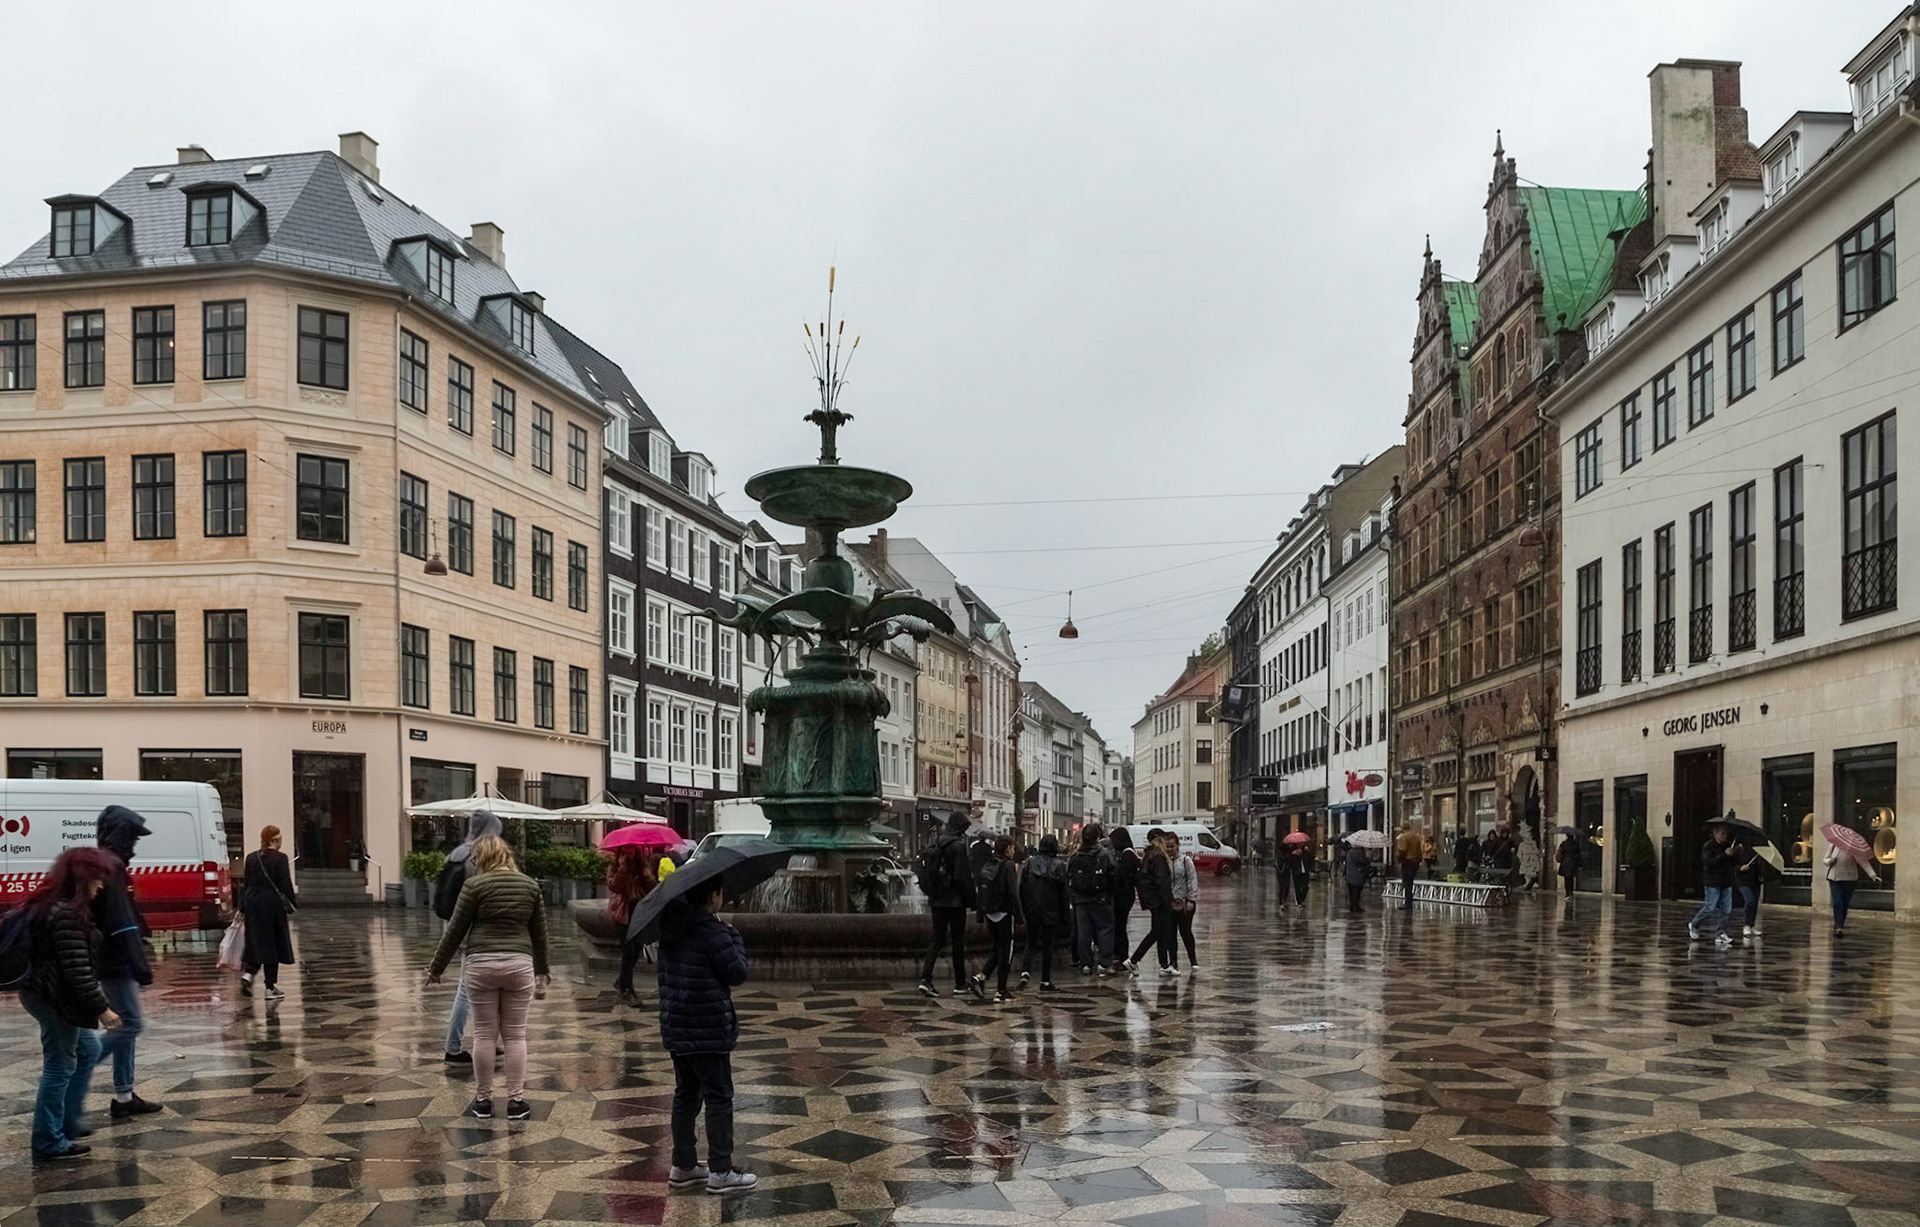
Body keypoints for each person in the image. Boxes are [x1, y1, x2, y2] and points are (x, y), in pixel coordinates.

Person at [427, 834, 548, 1121]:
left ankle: (483, 1102)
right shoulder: (530, 886)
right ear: (506, 855)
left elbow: (455, 930)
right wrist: (543, 970)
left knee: (483, 1034)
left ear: (482, 858)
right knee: (515, 1035)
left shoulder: (474, 885)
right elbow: (540, 933)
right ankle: (516, 1102)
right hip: (519, 965)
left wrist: (436, 968)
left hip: (480, 964)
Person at [18, 847, 123, 1161]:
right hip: (54, 998)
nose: (101, 886)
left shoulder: (55, 905)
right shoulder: (66, 913)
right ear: (82, 878)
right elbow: (76, 970)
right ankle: (49, 1140)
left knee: (87, 1050)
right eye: (97, 879)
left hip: (48, 994)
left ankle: (64, 1123)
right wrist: (102, 1009)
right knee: (59, 1066)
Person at [657, 879, 755, 1195]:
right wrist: (733, 935)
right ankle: (721, 1171)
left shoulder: (670, 930)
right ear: (713, 896)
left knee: (686, 1093)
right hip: (709, 1027)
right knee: (718, 1096)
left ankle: (684, 1166)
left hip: (677, 1024)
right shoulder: (713, 932)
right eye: (721, 892)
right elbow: (737, 972)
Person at [94, 805, 161, 1119]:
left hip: (110, 957)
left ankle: (123, 1094)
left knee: (125, 1025)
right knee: (130, 1024)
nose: (135, 844)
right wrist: (140, 965)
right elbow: (121, 921)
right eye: (132, 836)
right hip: (116, 959)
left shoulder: (106, 862)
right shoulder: (113, 866)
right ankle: (84, 1062)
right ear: (120, 835)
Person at [435, 810, 503, 1060]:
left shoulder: (458, 852)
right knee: (466, 990)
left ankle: (487, 1041)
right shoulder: (477, 856)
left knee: (477, 987)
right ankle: (453, 1047)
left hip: (457, 925)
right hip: (474, 929)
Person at [917, 812, 975, 997]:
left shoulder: (937, 842)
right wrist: (972, 900)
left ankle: (926, 979)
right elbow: (962, 877)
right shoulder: (957, 847)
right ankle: (960, 982)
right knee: (958, 942)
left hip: (937, 900)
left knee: (936, 939)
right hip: (955, 902)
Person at [239, 826, 297, 1001]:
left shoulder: (251, 857)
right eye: (279, 838)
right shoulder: (280, 859)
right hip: (271, 904)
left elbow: (246, 883)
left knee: (256, 941)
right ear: (275, 840)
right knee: (273, 944)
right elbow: (284, 883)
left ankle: (248, 975)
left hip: (252, 902)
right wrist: (292, 903)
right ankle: (269, 988)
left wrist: (242, 907)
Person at [970, 835, 1023, 1003]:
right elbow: (1013, 893)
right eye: (1013, 847)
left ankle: (981, 977)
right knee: (1006, 952)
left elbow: (981, 891)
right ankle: (1001, 991)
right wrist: (1020, 916)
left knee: (997, 948)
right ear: (1008, 848)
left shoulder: (989, 863)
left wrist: (981, 914)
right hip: (1004, 914)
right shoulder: (1008, 866)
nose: (1014, 851)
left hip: (990, 914)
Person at [608, 847, 661, 1007]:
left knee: (636, 950)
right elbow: (613, 886)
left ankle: (621, 981)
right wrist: (623, 870)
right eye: (625, 851)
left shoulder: (643, 865)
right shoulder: (615, 866)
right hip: (623, 915)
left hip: (639, 914)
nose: (628, 854)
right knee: (628, 952)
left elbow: (653, 891)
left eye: (631, 851)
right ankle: (627, 990)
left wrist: (649, 877)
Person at [1019, 834, 1069, 990]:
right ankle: (1045, 980)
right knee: (1048, 945)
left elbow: (1021, 888)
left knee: (1030, 942)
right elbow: (1064, 894)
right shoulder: (1059, 866)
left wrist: (1024, 909)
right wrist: (1065, 916)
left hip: (1032, 910)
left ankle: (1025, 973)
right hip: (1051, 911)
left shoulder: (1029, 863)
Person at [1067, 823, 1118, 975]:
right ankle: (1104, 962)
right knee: (1105, 929)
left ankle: (1086, 964)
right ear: (1098, 836)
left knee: (1084, 932)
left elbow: (1068, 875)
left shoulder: (1076, 855)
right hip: (1101, 898)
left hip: (1081, 899)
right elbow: (1114, 873)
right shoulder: (1104, 853)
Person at [1688, 823, 1741, 947]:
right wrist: (1724, 855)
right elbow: (1709, 863)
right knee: (1710, 907)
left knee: (1726, 909)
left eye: (1726, 833)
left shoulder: (1728, 845)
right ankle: (1695, 924)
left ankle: (1721, 932)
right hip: (1713, 881)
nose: (1724, 836)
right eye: (1722, 833)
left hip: (1726, 881)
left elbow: (1733, 863)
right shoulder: (1708, 846)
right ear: (1715, 833)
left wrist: (1735, 853)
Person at [1129, 829, 1173, 971]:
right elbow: (1161, 881)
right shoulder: (1158, 856)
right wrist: (1167, 900)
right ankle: (1134, 960)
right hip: (1159, 900)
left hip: (1153, 899)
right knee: (1158, 931)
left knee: (1161, 931)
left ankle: (1164, 965)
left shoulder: (1149, 854)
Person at [1824, 838, 1878, 939]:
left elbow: (1863, 862)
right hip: (1834, 878)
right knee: (1837, 902)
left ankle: (1840, 924)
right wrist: (1830, 861)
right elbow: (1825, 859)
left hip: (1849, 879)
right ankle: (1838, 926)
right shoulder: (1833, 846)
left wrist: (1872, 874)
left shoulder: (1854, 850)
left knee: (1845, 903)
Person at [1106, 828, 1140, 972]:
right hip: (1125, 895)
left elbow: (1123, 876)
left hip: (1123, 896)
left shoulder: (1127, 855)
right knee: (1119, 926)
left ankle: (1122, 957)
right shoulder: (1129, 853)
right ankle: (1120, 956)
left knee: (1120, 927)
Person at [1167, 832, 1199, 972]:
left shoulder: (1186, 861)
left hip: (1184, 902)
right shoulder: (1164, 861)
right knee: (1171, 933)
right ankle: (1173, 962)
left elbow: (1192, 880)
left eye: (1172, 846)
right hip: (1169, 903)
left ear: (1177, 845)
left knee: (1186, 932)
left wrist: (1191, 899)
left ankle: (1193, 960)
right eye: (1167, 847)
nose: (1169, 849)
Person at [1393, 823, 1423, 911]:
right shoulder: (1416, 836)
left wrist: (1398, 857)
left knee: (1407, 883)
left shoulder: (1403, 837)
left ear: (1403, 828)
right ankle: (1409, 901)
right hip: (1415, 862)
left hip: (1407, 861)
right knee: (1411, 882)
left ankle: (1407, 903)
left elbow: (1402, 849)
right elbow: (1419, 850)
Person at [1277, 838, 1311, 909]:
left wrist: (1307, 852)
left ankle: (1300, 900)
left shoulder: (1304, 850)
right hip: (1285, 870)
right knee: (1285, 887)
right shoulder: (1287, 849)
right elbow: (1286, 858)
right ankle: (1284, 902)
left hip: (1303, 871)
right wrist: (1293, 853)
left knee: (1305, 887)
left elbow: (1310, 859)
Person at [1342, 840, 1370, 913]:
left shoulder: (1350, 852)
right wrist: (1368, 859)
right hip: (1358, 875)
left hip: (1349, 875)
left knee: (1351, 892)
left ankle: (1352, 906)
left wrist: (1344, 873)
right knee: (1357, 892)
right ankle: (1356, 906)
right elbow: (1363, 861)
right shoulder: (1360, 852)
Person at [1556, 832, 1583, 899]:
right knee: (1571, 878)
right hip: (1573, 862)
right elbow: (1579, 855)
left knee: (1566, 878)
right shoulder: (1576, 844)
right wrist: (1580, 864)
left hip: (1565, 862)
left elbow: (1559, 852)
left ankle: (1567, 893)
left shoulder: (1563, 844)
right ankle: (1570, 892)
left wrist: (1560, 860)